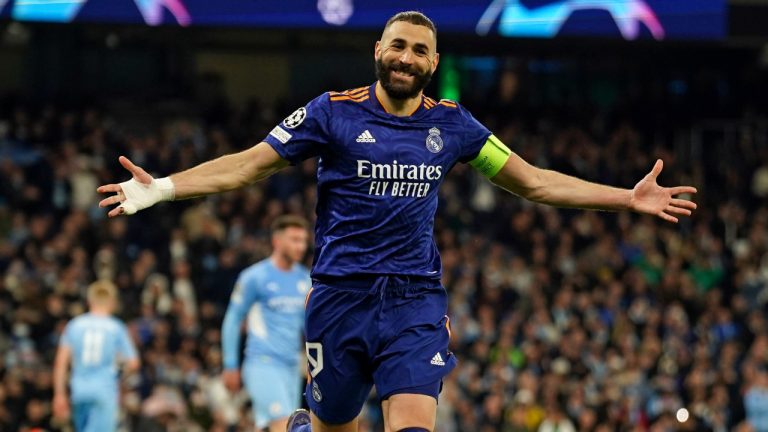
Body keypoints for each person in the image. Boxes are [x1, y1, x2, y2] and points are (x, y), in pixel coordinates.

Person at [97, 11, 697, 432]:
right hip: (338, 297)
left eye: (418, 50)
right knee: (335, 424)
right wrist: (165, 189)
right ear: (378, 52)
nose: (406, 57)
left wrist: (626, 198)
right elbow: (247, 166)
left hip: (414, 301)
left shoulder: (457, 127)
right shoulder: (329, 114)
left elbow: (535, 181)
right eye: (397, 46)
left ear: (433, 62)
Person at [220, 215, 311, 432]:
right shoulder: (254, 277)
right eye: (295, 239)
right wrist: (230, 364)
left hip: (291, 367)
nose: (301, 246)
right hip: (263, 362)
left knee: (274, 426)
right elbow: (233, 319)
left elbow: (309, 328)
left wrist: (312, 363)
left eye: (304, 240)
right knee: (285, 423)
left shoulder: (306, 279)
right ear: (277, 241)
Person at [52, 280, 140, 432]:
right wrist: (120, 379)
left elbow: (61, 363)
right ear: (112, 302)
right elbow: (133, 363)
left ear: (89, 301)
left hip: (79, 390)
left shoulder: (74, 325)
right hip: (104, 391)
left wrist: (59, 394)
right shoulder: (116, 327)